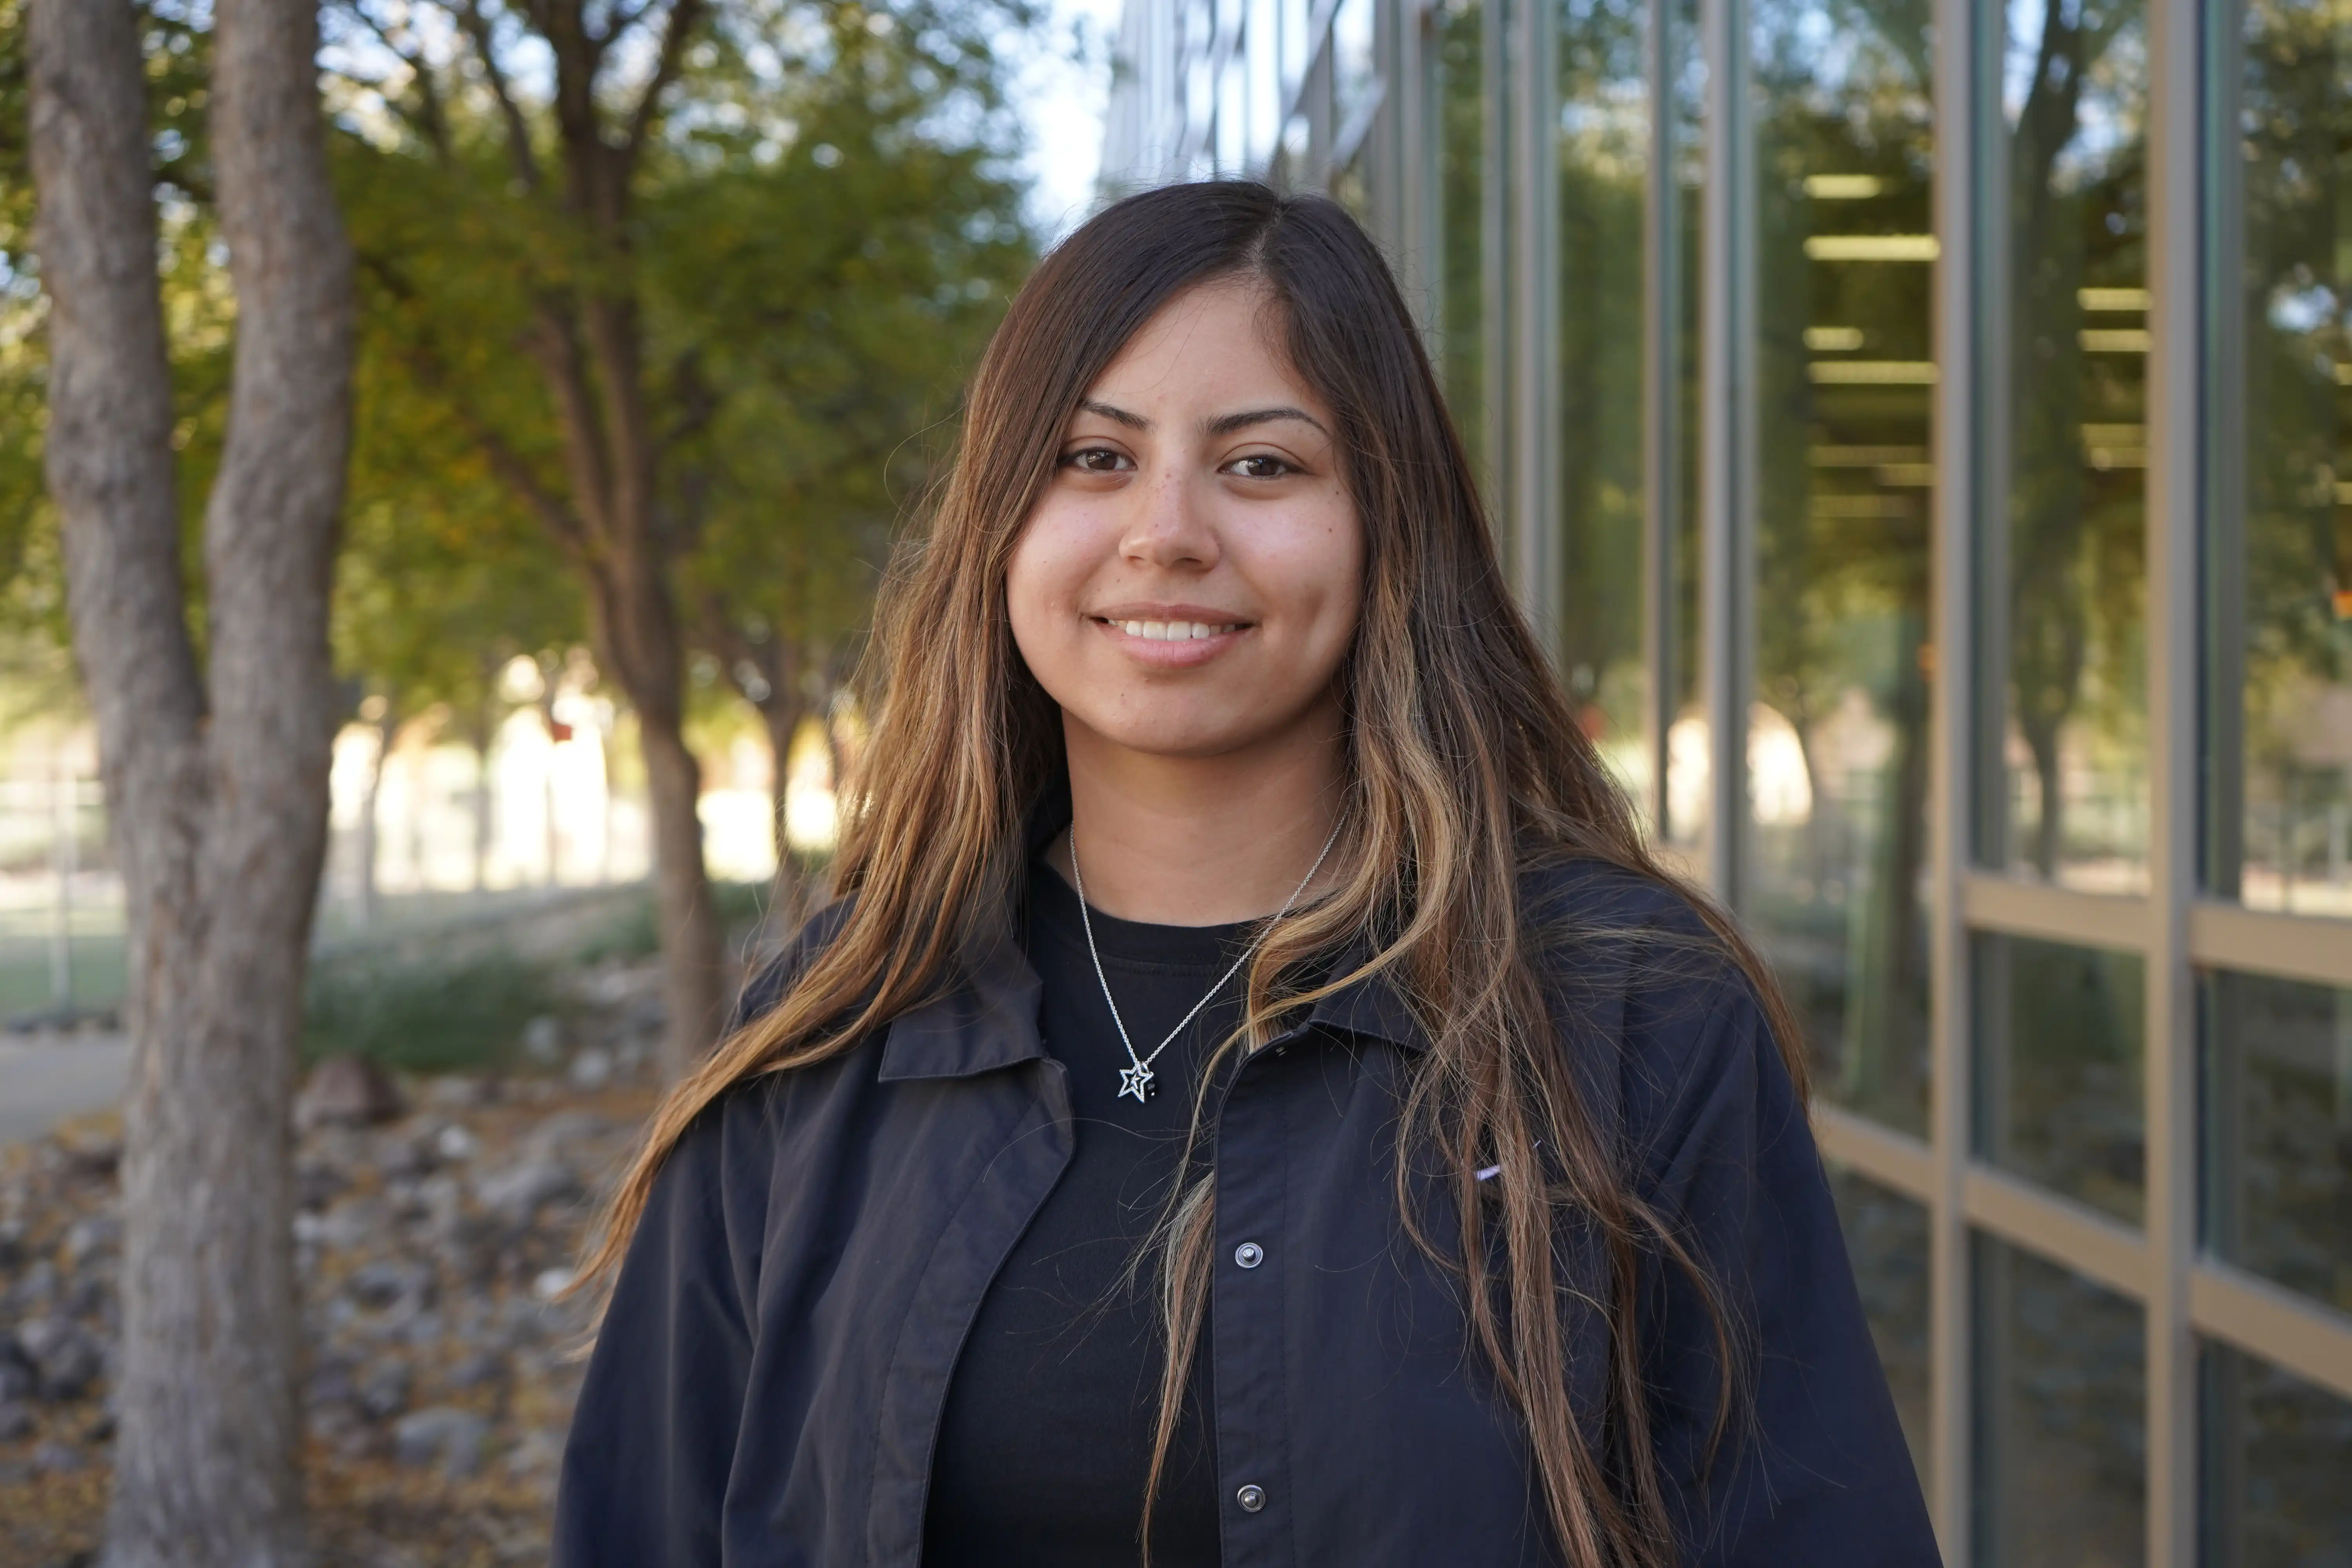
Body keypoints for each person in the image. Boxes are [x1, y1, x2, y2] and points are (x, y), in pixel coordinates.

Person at [550, 180, 1941, 1568]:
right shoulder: (836, 1027)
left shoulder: (1626, 1012)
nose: (1166, 531)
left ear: (1388, 523)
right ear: (1001, 526)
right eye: (1093, 458)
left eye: (1262, 465)